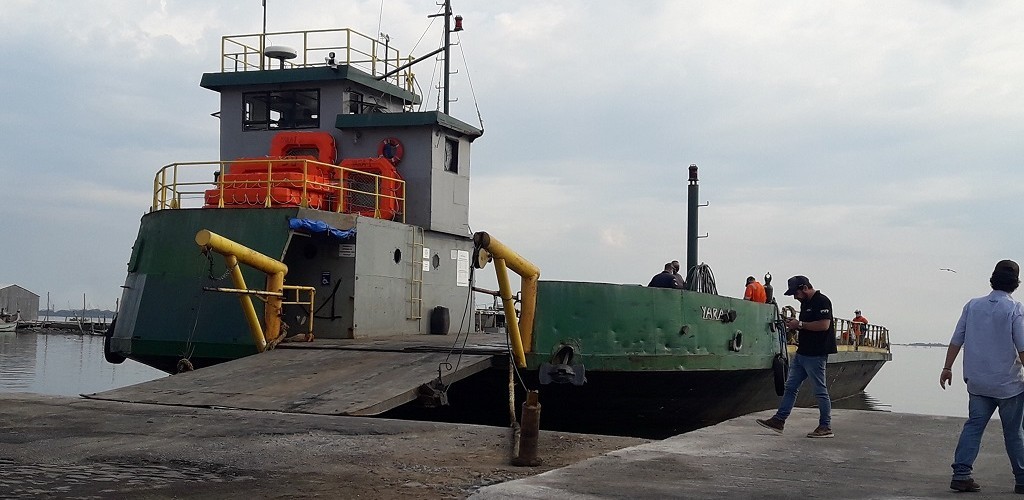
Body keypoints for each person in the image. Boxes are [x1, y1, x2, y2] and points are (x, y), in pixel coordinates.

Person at [940, 259, 1024, 493]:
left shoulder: (973, 306)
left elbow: (957, 339)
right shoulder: (1015, 308)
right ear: (1016, 283)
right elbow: (1022, 348)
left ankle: (961, 475)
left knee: (974, 426)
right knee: (1014, 433)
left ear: (992, 279)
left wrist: (947, 368)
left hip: (978, 383)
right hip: (1008, 385)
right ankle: (1022, 480)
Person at [756, 275, 836, 438]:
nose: (794, 297)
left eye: (796, 293)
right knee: (791, 387)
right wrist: (795, 325)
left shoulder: (822, 301)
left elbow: (824, 325)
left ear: (805, 288)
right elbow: (807, 326)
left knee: (820, 390)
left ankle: (825, 426)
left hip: (816, 354)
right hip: (802, 353)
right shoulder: (805, 303)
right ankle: (779, 420)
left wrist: (799, 324)